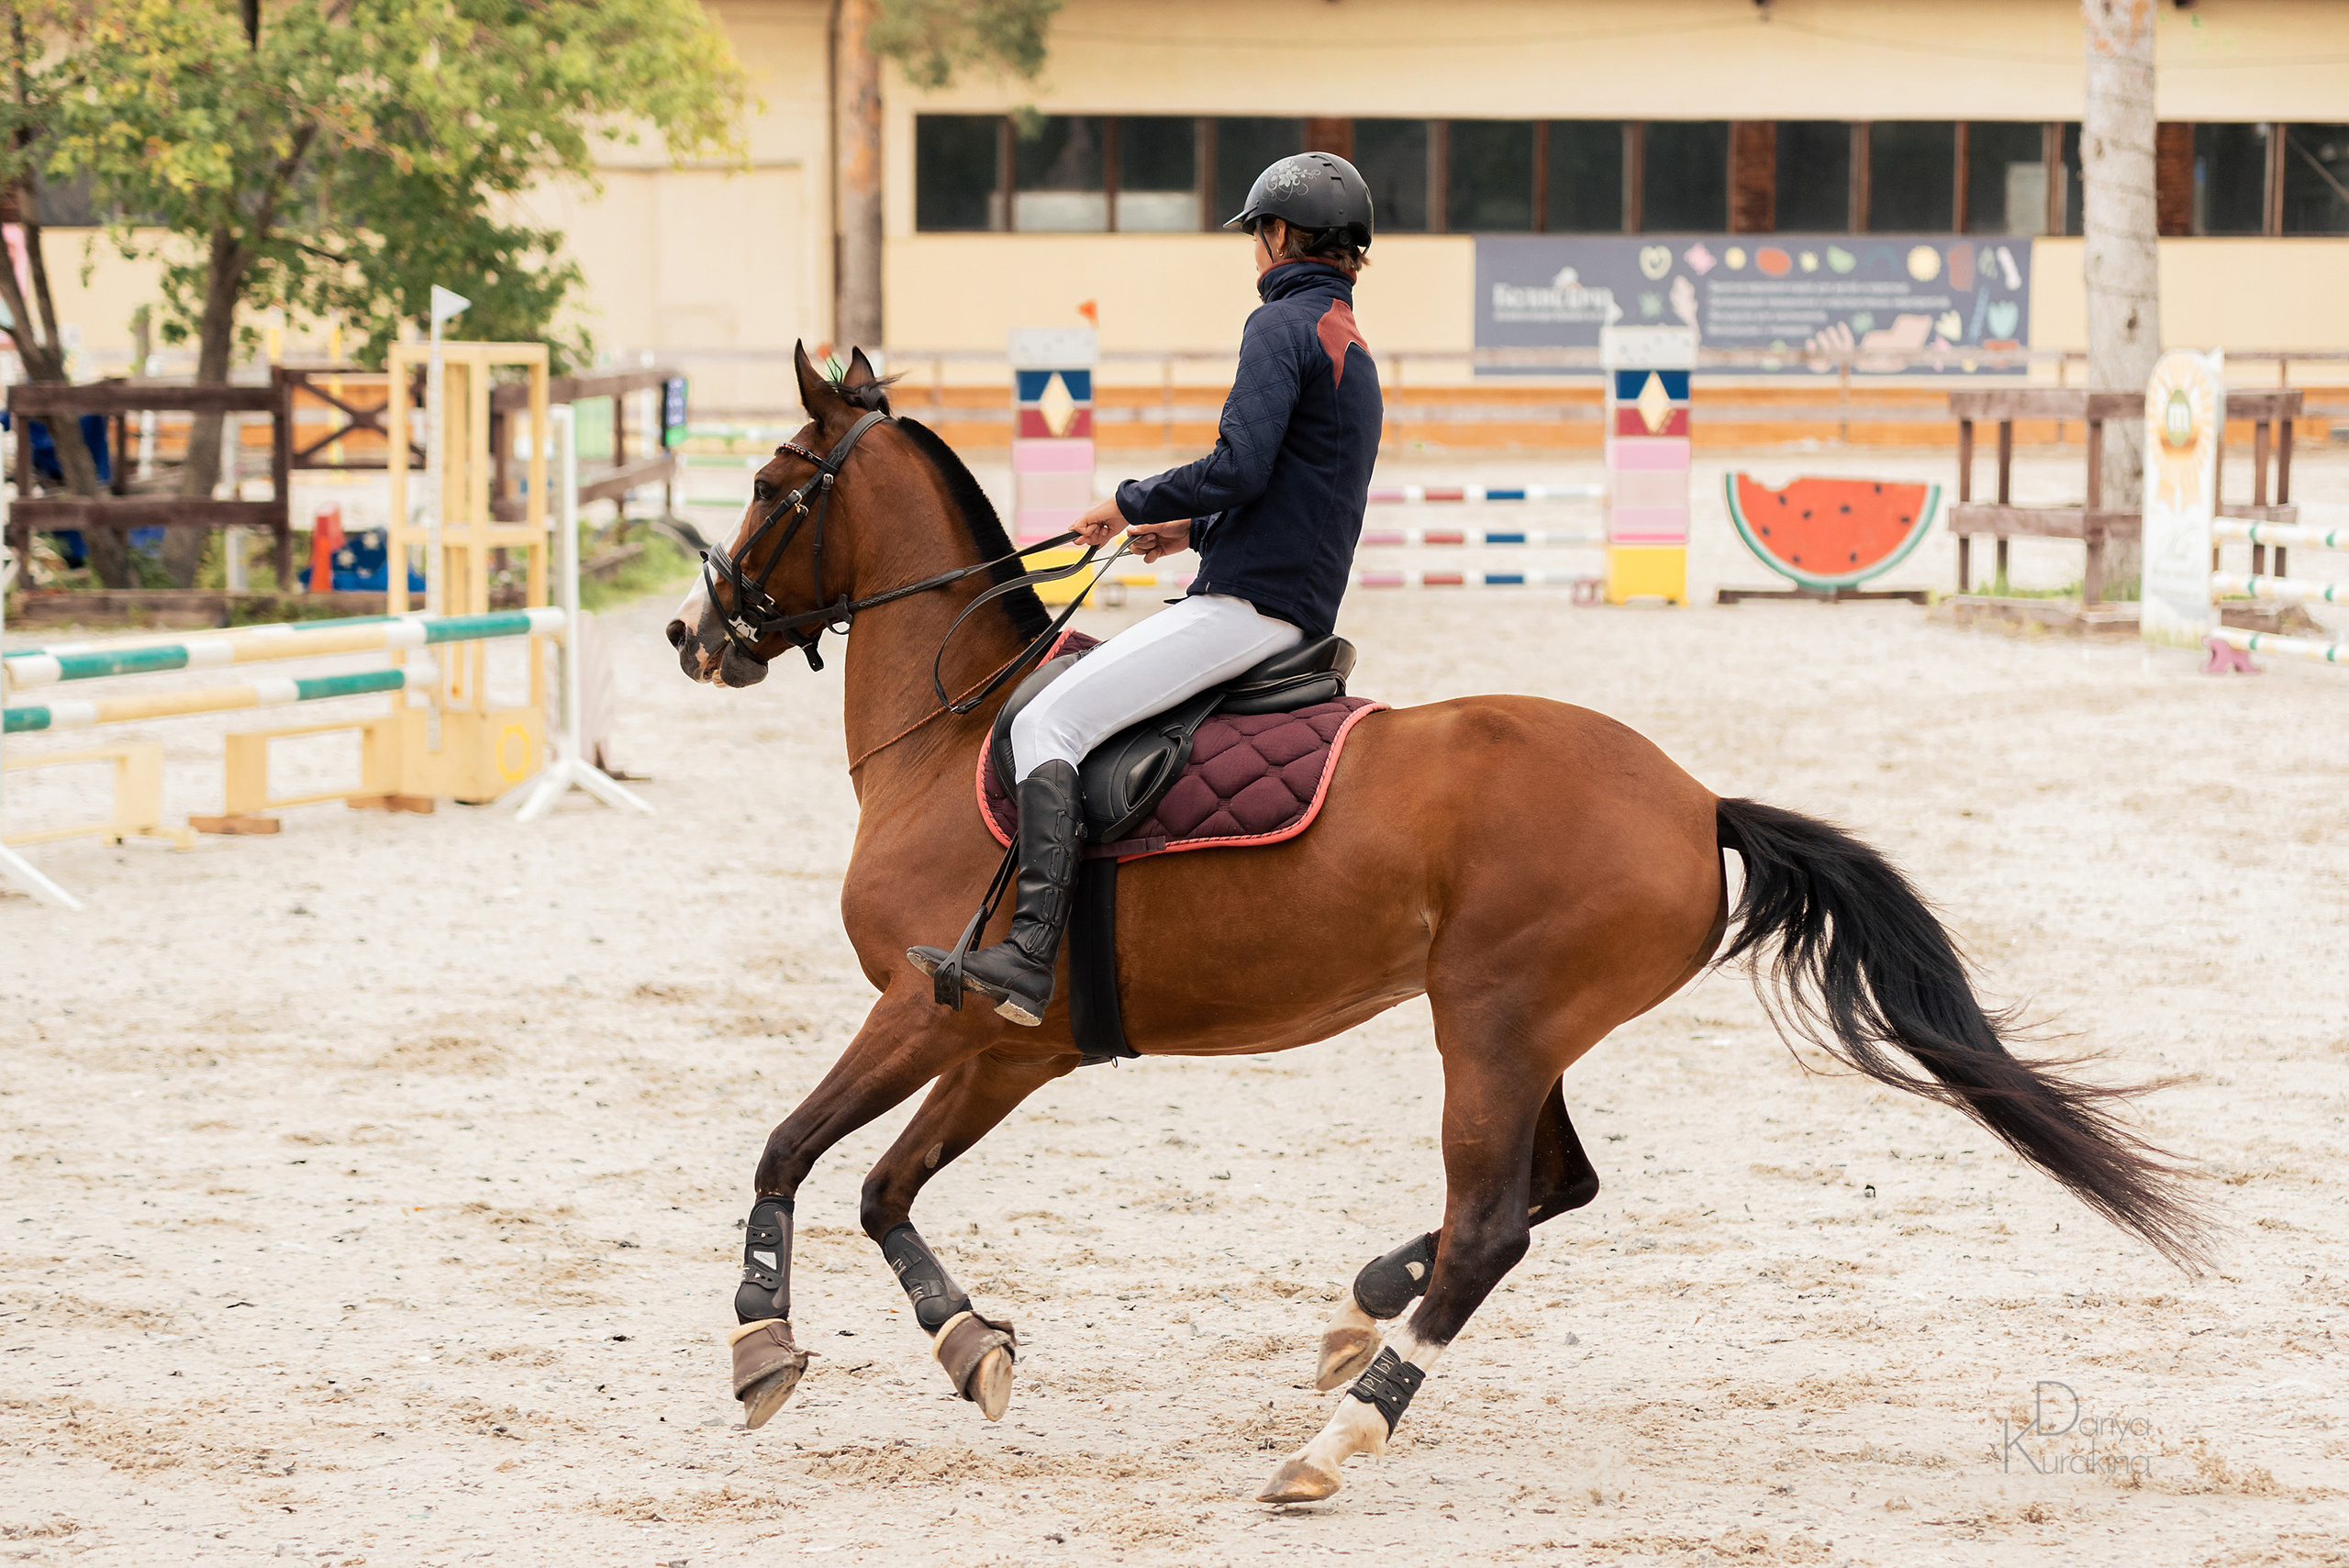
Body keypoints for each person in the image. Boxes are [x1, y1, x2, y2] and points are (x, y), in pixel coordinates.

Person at [908, 151, 1386, 1026]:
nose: (1256, 253)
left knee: (1050, 718)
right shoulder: (1351, 346)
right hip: (1294, 606)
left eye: (1259, 237)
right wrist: (1189, 530)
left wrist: (1129, 500)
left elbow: (1241, 466)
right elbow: (1301, 489)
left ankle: (1027, 952)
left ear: (1280, 236)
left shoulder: (1277, 329)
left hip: (1244, 609)